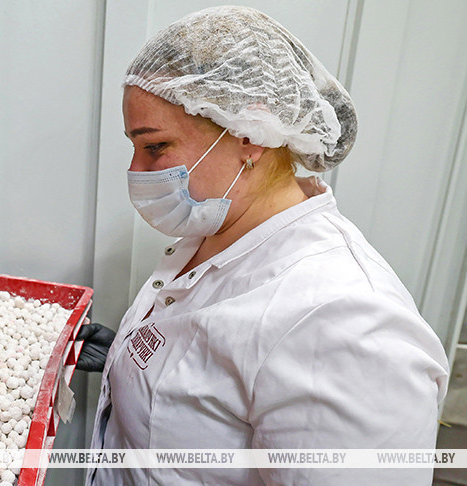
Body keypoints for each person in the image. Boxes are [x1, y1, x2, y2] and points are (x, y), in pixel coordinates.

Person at [76, 6, 449, 485]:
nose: (136, 171)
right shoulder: (214, 227)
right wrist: (130, 361)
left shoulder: (344, 323)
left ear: (250, 136)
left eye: (154, 147)